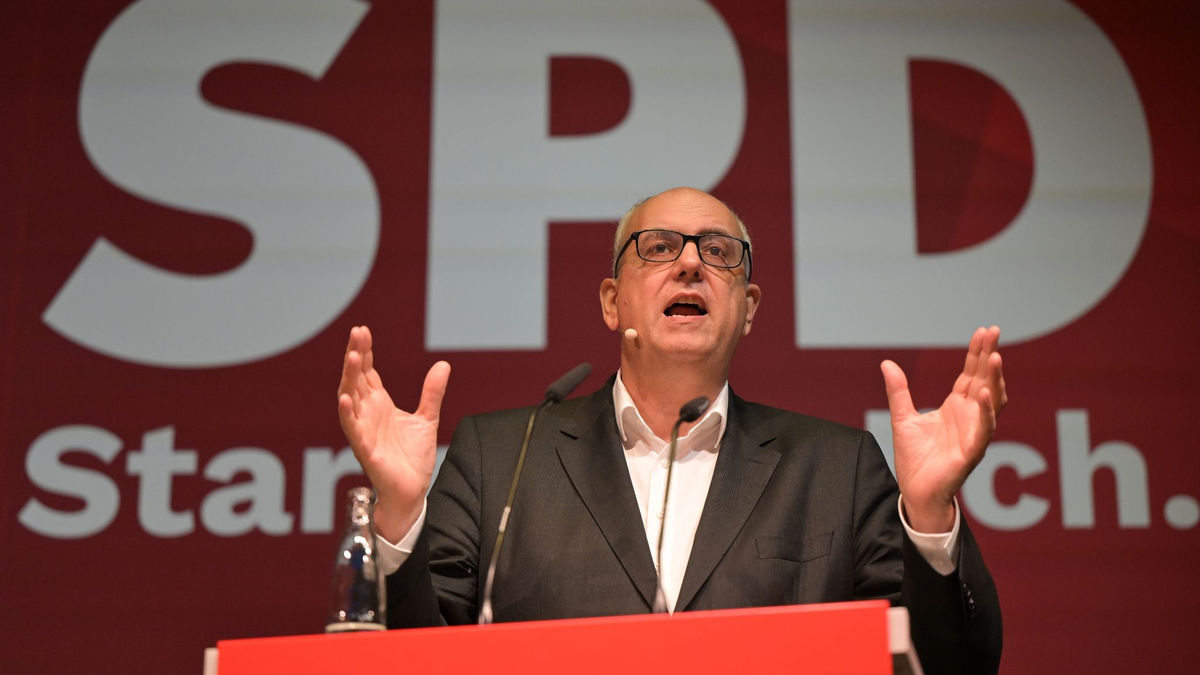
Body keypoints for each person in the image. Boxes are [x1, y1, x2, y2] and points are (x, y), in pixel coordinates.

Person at [337, 187, 1005, 674]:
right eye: (658, 248)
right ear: (611, 300)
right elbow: (409, 662)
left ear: (747, 308)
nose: (690, 264)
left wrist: (929, 518)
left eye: (718, 251)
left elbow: (951, 665)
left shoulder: (835, 465)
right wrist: (397, 516)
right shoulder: (502, 457)